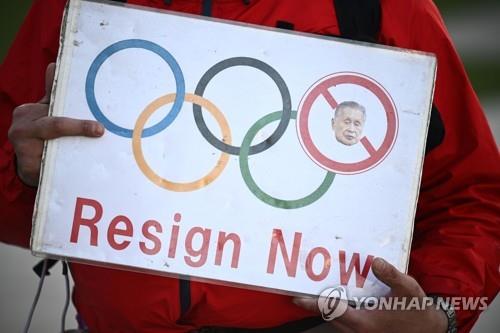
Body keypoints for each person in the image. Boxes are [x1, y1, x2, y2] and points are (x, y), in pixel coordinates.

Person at [1, 0, 499, 332]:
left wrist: (437, 314)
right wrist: (28, 172)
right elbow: (12, 181)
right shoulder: (75, 6)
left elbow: (475, 195)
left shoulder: (377, 5)